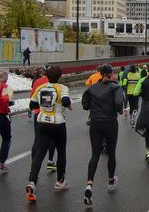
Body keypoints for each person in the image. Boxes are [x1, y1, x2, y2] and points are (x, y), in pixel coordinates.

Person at [26, 66, 72, 202]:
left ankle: (32, 182)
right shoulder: (62, 88)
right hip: (58, 123)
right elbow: (65, 101)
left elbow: (32, 105)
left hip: (42, 122)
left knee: (39, 154)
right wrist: (67, 106)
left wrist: (43, 106)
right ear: (59, 76)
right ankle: (60, 181)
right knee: (61, 152)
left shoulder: (41, 88)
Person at [81, 64, 124, 206]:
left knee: (94, 155)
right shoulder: (115, 87)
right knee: (111, 153)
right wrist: (119, 110)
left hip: (95, 123)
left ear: (100, 74)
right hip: (110, 123)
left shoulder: (92, 88)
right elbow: (119, 104)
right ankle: (111, 181)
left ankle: (89, 185)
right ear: (111, 74)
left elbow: (85, 105)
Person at [30, 65, 56, 171]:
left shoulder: (37, 82)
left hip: (38, 113)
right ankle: (50, 161)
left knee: (37, 139)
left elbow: (32, 97)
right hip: (50, 114)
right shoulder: (54, 82)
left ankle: (33, 164)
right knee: (52, 139)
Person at [125, 64, 141, 128]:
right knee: (136, 106)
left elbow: (125, 83)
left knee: (131, 106)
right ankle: (134, 116)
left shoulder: (128, 75)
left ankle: (131, 118)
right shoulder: (138, 75)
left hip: (129, 93)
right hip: (136, 93)